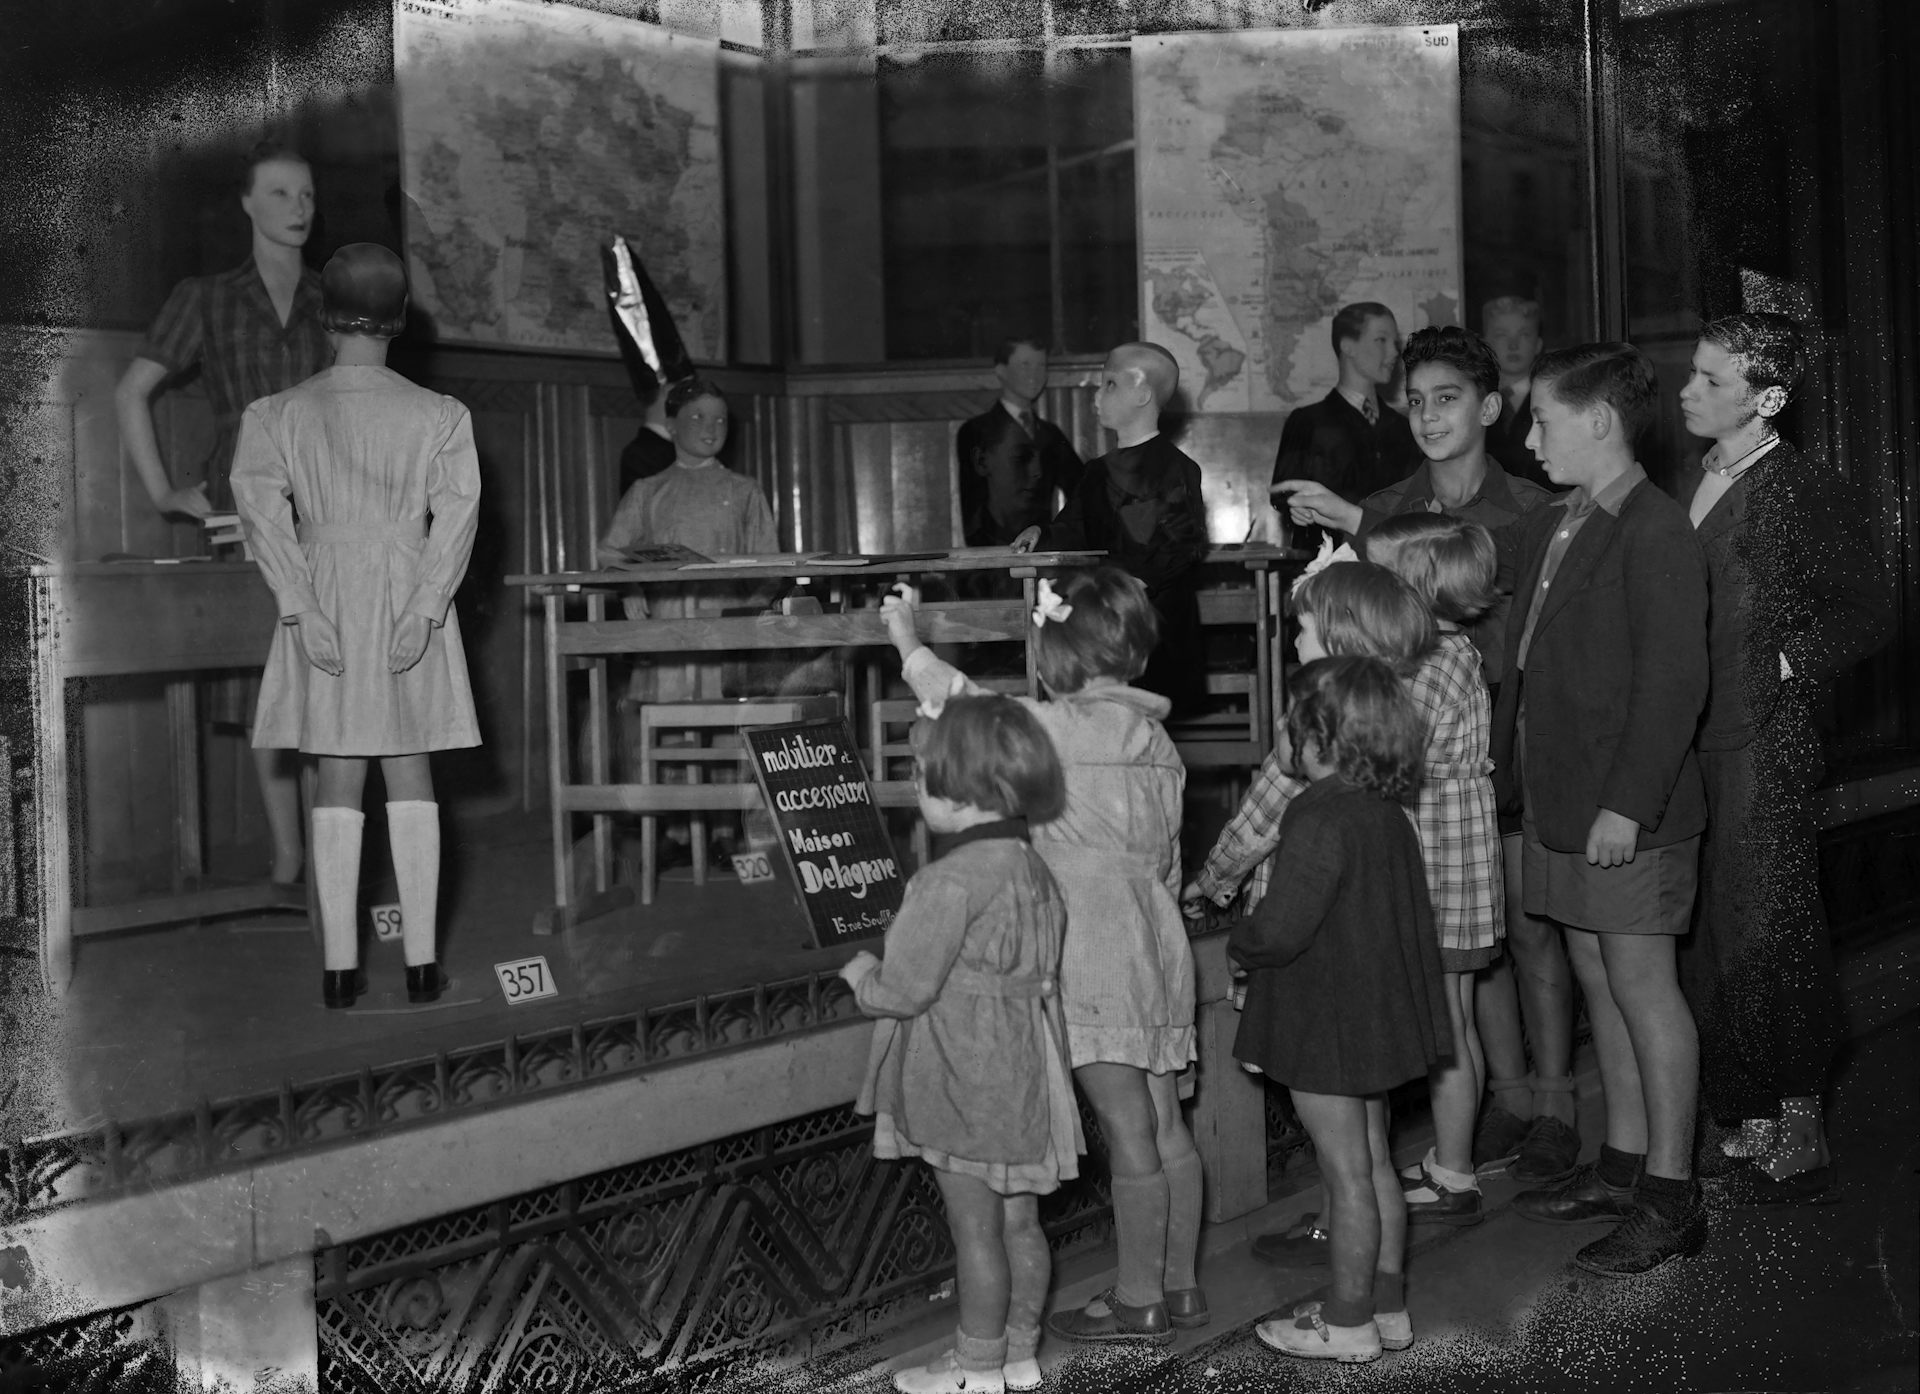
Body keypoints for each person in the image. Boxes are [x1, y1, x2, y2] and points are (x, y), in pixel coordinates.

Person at [1274, 326, 1577, 1191]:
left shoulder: (1531, 508)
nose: (1430, 414)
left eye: (1449, 398)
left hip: (1513, 752)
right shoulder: (1388, 506)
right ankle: (1505, 1098)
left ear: (1489, 408)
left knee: (1530, 934)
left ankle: (1556, 1104)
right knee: (1458, 953)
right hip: (1424, 774)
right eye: (1417, 399)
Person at [883, 567, 1206, 1347]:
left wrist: (905, 639)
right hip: (1158, 935)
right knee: (1166, 1123)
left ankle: (1138, 1298)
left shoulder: (1055, 729)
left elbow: (963, 704)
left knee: (1124, 1125)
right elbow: (1167, 859)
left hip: (1091, 941)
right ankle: (1181, 1282)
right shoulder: (1159, 742)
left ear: (1055, 655)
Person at [1492, 343, 1709, 1277]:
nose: (1530, 437)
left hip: (1623, 809)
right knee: (1596, 973)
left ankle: (1671, 1196)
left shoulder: (1655, 530)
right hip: (1562, 798)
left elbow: (1672, 683)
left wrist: (1627, 805)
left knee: (1643, 985)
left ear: (1599, 421)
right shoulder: (1559, 522)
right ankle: (1621, 1165)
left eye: (1541, 419)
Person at [1675, 313, 1893, 1205]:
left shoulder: (1801, 489)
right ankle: (1746, 1107)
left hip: (1767, 741)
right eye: (1694, 374)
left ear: (1767, 398)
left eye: (1711, 380)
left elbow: (1870, 611)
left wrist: (1783, 663)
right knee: (1718, 929)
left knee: (1772, 927)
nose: (1689, 391)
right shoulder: (1698, 477)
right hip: (1699, 738)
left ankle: (1798, 1119)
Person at [231, 243, 481, 1010]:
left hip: (327, 596)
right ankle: (421, 966)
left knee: (337, 772)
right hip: (407, 593)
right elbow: (458, 515)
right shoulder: (439, 415)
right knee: (410, 768)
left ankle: (339, 971)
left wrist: (300, 606)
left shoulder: (278, 414)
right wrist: (425, 608)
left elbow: (261, 514)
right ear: (400, 321)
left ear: (322, 314)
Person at [840, 694, 1080, 1394]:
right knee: (1019, 1224)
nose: (917, 791)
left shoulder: (945, 880)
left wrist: (862, 976)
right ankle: (1019, 1352)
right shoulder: (1031, 866)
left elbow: (906, 988)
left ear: (960, 791)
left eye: (923, 778)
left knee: (973, 1229)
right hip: (1025, 1071)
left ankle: (975, 1368)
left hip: (965, 1072)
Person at [114, 141, 334, 888]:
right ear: (246, 202)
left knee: (329, 688)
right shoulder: (203, 297)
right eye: (279, 194)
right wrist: (162, 490)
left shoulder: (335, 298)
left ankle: (330, 868)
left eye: (305, 195)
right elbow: (128, 392)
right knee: (268, 695)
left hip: (328, 514)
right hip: (242, 514)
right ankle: (288, 864)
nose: (297, 209)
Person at [1234, 656, 1446, 1364]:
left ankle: (1347, 1318)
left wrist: (1242, 939)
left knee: (1345, 1174)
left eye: (1293, 726)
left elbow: (1284, 925)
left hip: (1326, 1025)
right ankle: (1384, 1304)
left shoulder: (1317, 813)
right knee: (1378, 1163)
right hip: (1376, 1018)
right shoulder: (1388, 813)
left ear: (1321, 738)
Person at [1043, 343, 1210, 716]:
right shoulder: (1097, 473)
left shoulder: (1177, 469)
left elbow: (1183, 544)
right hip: (1106, 624)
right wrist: (1040, 535)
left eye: (1110, 385)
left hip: (1156, 626)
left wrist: (1136, 586)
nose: (1098, 396)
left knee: (1149, 719)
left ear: (1143, 394)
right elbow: (1071, 529)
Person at [598, 377, 780, 704]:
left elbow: (770, 564)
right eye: (697, 417)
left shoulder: (744, 491)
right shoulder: (647, 490)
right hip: (666, 626)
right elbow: (609, 551)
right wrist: (631, 586)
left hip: (728, 625)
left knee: (729, 719)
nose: (711, 427)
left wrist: (753, 617)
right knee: (667, 721)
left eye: (720, 419)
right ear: (671, 425)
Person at [1268, 302, 1420, 550]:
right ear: (1348, 346)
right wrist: (1297, 507)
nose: (1394, 352)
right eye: (1381, 340)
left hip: (1395, 565)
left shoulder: (1404, 427)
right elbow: (1284, 492)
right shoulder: (1308, 422)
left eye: (1395, 343)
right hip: (1331, 572)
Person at [955, 338, 1084, 548]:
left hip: (1042, 555)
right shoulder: (977, 431)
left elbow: (1082, 490)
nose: (1035, 373)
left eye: (1041, 365)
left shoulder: (1051, 435)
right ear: (1001, 371)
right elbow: (973, 510)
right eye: (1025, 365)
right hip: (995, 560)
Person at [1481, 297, 1558, 491]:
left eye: (1524, 334)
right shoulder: (1475, 402)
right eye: (1501, 335)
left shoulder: (1556, 399)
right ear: (1485, 344)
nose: (1513, 345)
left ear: (1539, 344)